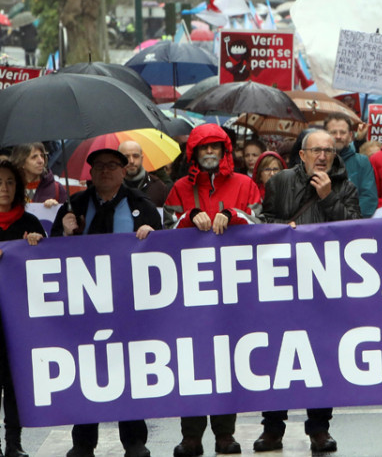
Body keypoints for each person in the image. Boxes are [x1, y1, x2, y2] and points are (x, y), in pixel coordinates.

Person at [255, 130, 361, 453]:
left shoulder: (346, 186)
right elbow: (262, 222)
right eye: (316, 150)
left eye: (329, 150)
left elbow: (355, 232)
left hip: (323, 286)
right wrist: (279, 229)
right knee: (279, 357)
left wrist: (329, 198)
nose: (323, 156)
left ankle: (319, 428)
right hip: (284, 284)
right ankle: (272, 429)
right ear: (302, 155)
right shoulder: (279, 183)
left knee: (320, 358)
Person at [50, 149, 160, 457]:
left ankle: (135, 441)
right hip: (85, 308)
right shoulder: (75, 206)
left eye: (112, 166)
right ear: (90, 173)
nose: (105, 171)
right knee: (87, 372)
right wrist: (65, 233)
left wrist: (152, 235)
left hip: (129, 307)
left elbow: (164, 251)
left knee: (129, 372)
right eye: (98, 166)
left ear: (124, 171)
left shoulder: (141, 205)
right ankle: (83, 442)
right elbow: (50, 256)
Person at [164, 124, 261, 456]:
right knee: (192, 363)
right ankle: (191, 435)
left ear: (224, 152)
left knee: (226, 362)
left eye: (215, 148)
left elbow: (260, 225)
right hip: (189, 293)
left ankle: (225, 434)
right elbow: (166, 231)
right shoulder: (178, 188)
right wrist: (189, 217)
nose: (209, 153)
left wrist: (232, 215)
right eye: (203, 148)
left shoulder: (245, 185)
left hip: (233, 293)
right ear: (193, 153)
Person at [0, 160, 45, 457]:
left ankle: (13, 443)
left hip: (17, 320)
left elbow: (50, 268)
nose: (4, 189)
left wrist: (38, 245)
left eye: (9, 182)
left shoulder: (30, 223)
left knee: (14, 382)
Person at [325, 112, 377, 217]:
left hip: (354, 227)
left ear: (350, 136)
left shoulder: (362, 162)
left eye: (343, 132)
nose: (338, 136)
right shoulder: (317, 161)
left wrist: (347, 220)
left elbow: (368, 198)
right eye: (333, 132)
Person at [10, 142, 67, 207]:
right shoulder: (9, 188)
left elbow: (69, 214)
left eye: (42, 156)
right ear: (21, 162)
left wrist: (56, 207)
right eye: (34, 157)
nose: (40, 161)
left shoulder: (57, 188)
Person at [118, 140, 168, 207]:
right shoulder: (110, 187)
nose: (131, 161)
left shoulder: (158, 187)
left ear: (142, 158)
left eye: (135, 156)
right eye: (126, 157)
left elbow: (167, 215)